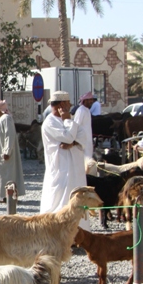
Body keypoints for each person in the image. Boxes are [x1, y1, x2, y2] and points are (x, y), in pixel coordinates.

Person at [40, 91, 87, 225]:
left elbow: (83, 136)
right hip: (60, 169)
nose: (71, 105)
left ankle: (78, 233)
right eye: (68, 103)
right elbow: (68, 136)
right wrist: (67, 122)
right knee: (58, 200)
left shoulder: (69, 119)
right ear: (62, 105)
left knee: (76, 198)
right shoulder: (50, 123)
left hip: (74, 168)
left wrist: (72, 142)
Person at [0, 100, 25, 202]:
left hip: (5, 153)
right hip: (1, 152)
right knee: (3, 174)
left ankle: (9, 196)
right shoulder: (3, 119)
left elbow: (9, 135)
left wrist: (7, 151)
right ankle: (4, 196)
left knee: (7, 174)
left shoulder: (6, 118)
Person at [74, 92, 95, 160]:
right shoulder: (80, 110)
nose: (91, 101)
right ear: (85, 100)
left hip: (88, 140)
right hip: (82, 141)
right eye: (89, 100)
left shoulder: (87, 110)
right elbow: (76, 125)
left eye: (92, 100)